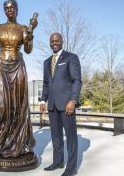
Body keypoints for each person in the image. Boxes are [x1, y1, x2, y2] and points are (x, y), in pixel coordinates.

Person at [0, 0, 37, 158]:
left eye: (12, 8)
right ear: (4, 11)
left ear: (17, 10)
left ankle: (18, 144)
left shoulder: (23, 28)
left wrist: (30, 33)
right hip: (1, 67)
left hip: (18, 69)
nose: (9, 10)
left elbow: (28, 50)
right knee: (1, 105)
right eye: (6, 8)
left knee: (17, 106)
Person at [40, 32, 82, 176]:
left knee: (70, 137)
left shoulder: (71, 57)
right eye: (52, 41)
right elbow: (46, 83)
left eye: (57, 40)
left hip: (67, 105)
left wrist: (73, 100)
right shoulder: (46, 62)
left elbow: (77, 80)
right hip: (52, 105)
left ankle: (71, 168)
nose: (54, 43)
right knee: (56, 136)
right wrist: (42, 100)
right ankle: (58, 162)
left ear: (62, 41)